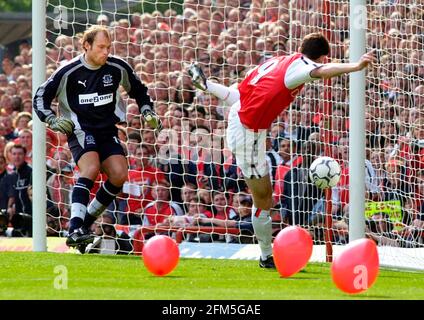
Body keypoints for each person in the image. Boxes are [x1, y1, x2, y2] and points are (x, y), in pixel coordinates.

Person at [188, 32, 376, 268]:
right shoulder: (301, 68)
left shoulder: (276, 61)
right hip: (248, 132)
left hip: (242, 118)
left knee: (264, 200)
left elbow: (239, 96)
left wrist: (208, 86)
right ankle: (266, 256)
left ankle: (266, 251)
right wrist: (356, 66)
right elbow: (320, 72)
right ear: (323, 57)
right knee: (264, 199)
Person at [33, 25, 162, 252]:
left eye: (108, 47)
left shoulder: (116, 67)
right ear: (86, 45)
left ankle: (85, 222)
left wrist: (147, 110)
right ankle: (74, 228)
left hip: (107, 129)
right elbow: (40, 97)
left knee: (119, 175)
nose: (106, 52)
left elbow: (139, 90)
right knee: (90, 168)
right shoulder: (68, 72)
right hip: (81, 129)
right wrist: (51, 120)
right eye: (101, 47)